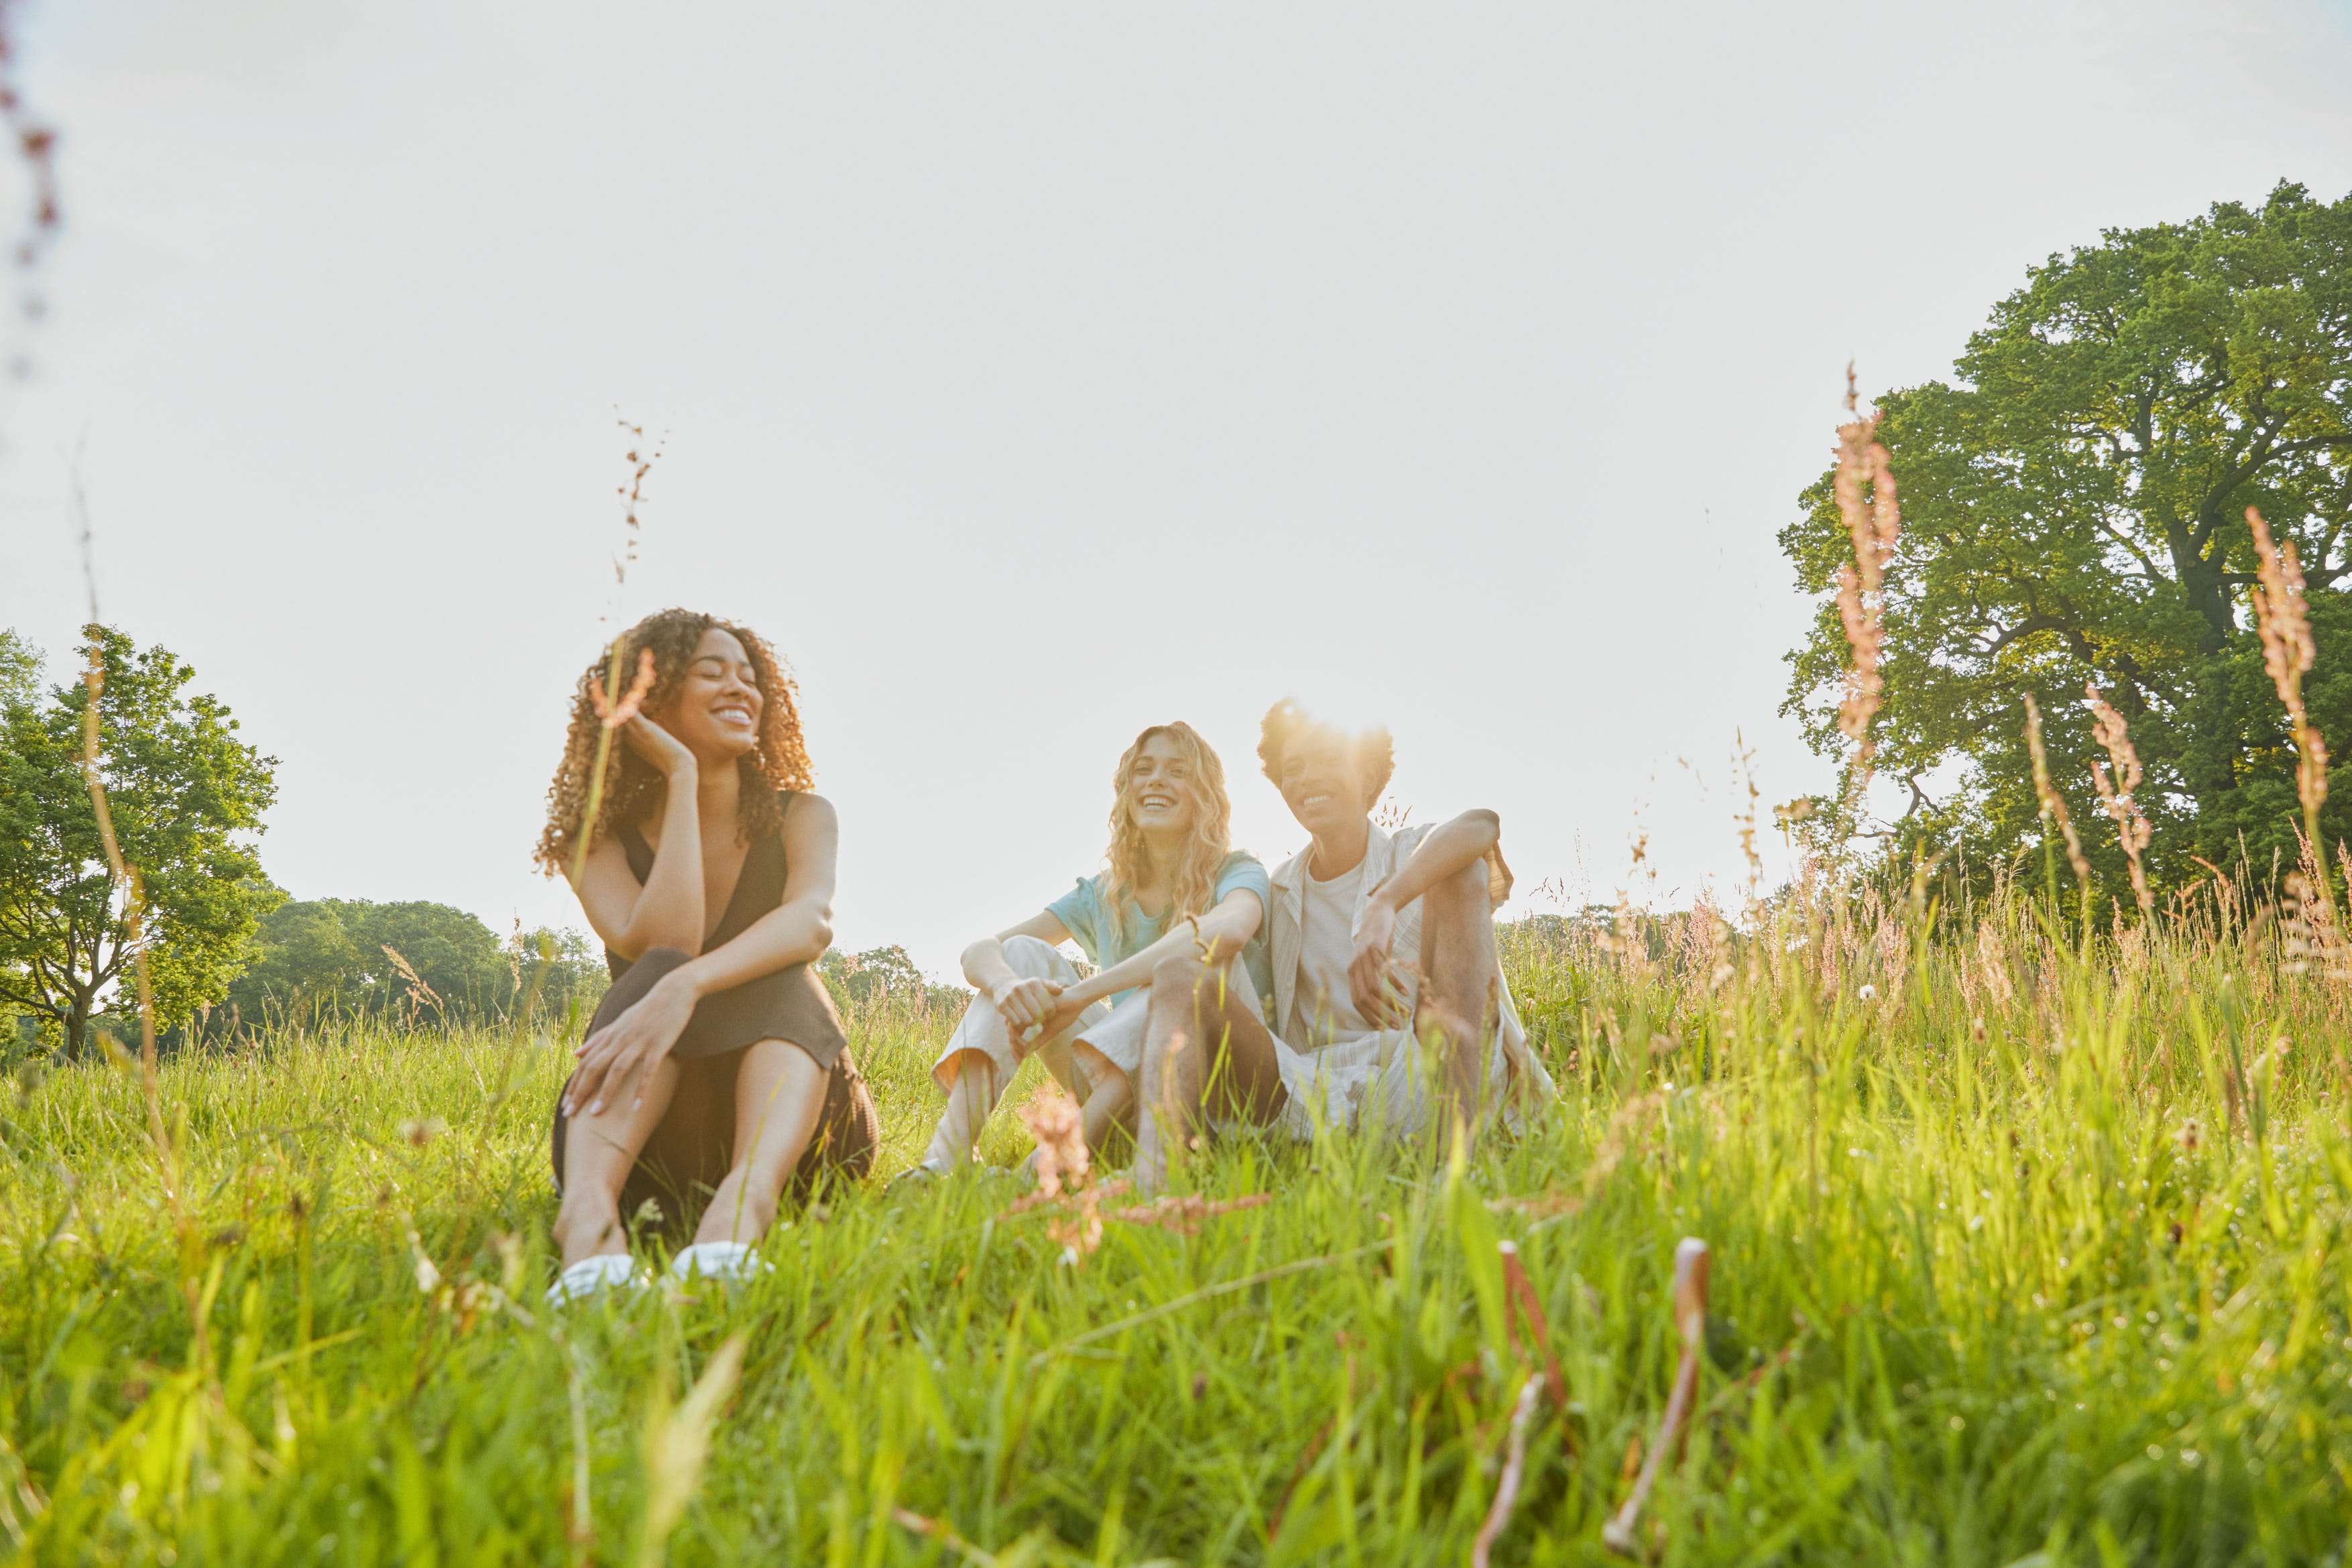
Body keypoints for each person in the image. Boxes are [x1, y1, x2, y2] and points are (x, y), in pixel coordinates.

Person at [534, 608, 877, 1303]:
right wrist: (683, 777)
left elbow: (810, 923)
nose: (741, 689)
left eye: (750, 677)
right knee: (656, 969)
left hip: (796, 1136)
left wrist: (685, 988)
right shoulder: (592, 838)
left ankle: (735, 1223)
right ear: (649, 700)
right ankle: (589, 1226)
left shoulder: (804, 814)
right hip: (648, 1144)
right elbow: (667, 941)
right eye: (712, 671)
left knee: (778, 968)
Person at [1131, 699, 1555, 1192]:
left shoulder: (1414, 851)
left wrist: (1385, 903)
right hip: (1316, 1087)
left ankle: (1459, 1163)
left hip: (1426, 1074)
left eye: (1329, 760)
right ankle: (1155, 1188)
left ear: (1369, 776)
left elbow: (1482, 824)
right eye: (1294, 768)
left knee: (1464, 870)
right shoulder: (1278, 887)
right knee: (1180, 975)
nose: (1308, 777)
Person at [905, 721, 1276, 1180]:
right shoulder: (1105, 894)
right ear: (1126, 789)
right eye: (1144, 769)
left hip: (1212, 1091)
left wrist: (1082, 996)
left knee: (1172, 976)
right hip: (1122, 1086)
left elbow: (1229, 929)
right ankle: (943, 1162)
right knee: (1020, 953)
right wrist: (1007, 988)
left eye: (1177, 770)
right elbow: (979, 952)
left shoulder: (1238, 871)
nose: (1156, 779)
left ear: (1205, 793)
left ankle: (1040, 1174)